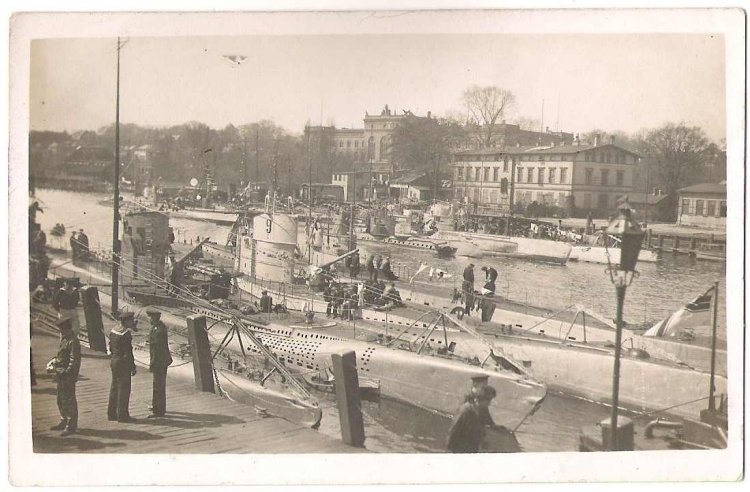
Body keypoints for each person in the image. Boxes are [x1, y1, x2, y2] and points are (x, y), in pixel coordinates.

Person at [49, 316, 81, 436]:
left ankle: (71, 425)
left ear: (67, 328)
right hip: (60, 373)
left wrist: (67, 372)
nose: (61, 332)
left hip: (67, 375)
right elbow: (61, 356)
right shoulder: (65, 339)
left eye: (62, 329)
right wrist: (55, 361)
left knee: (69, 400)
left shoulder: (73, 341)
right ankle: (64, 420)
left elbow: (74, 360)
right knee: (60, 399)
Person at [446, 384, 498, 453]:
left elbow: (482, 426)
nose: (489, 404)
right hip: (460, 448)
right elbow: (454, 430)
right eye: (488, 400)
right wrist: (450, 448)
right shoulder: (465, 411)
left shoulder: (482, 410)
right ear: (479, 399)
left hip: (473, 447)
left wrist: (483, 440)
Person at [108, 312, 137, 422]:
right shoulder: (126, 334)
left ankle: (111, 414)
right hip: (123, 363)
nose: (132, 322)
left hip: (114, 360)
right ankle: (122, 415)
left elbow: (110, 347)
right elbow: (128, 352)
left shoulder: (113, 331)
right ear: (126, 321)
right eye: (131, 320)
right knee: (124, 389)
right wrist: (132, 366)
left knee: (114, 387)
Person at [147, 309, 172, 418]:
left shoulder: (160, 330)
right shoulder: (155, 327)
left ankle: (159, 410)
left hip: (160, 361)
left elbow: (157, 349)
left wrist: (153, 363)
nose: (150, 320)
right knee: (156, 384)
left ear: (155, 318)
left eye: (151, 318)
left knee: (159, 386)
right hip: (158, 359)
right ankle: (156, 405)